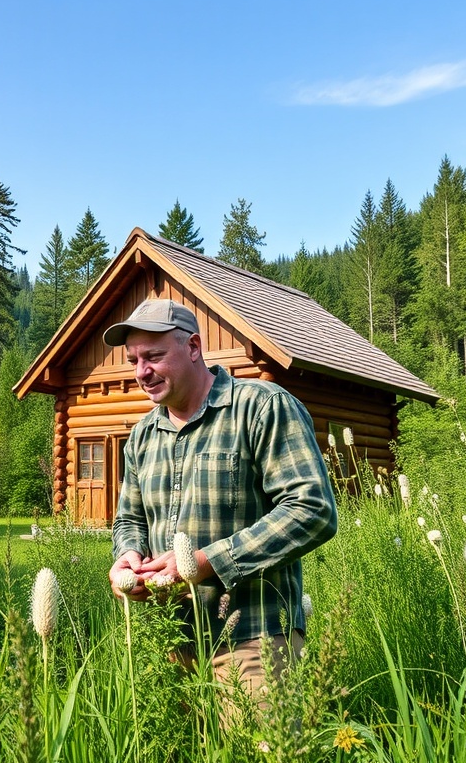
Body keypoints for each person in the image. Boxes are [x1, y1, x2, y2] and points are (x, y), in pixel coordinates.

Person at [105, 298, 337, 697]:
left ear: (194, 347)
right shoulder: (142, 435)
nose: (142, 372)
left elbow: (312, 510)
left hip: (255, 639)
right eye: (133, 360)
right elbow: (130, 519)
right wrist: (128, 556)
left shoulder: (262, 407)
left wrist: (205, 563)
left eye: (154, 357)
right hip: (169, 639)